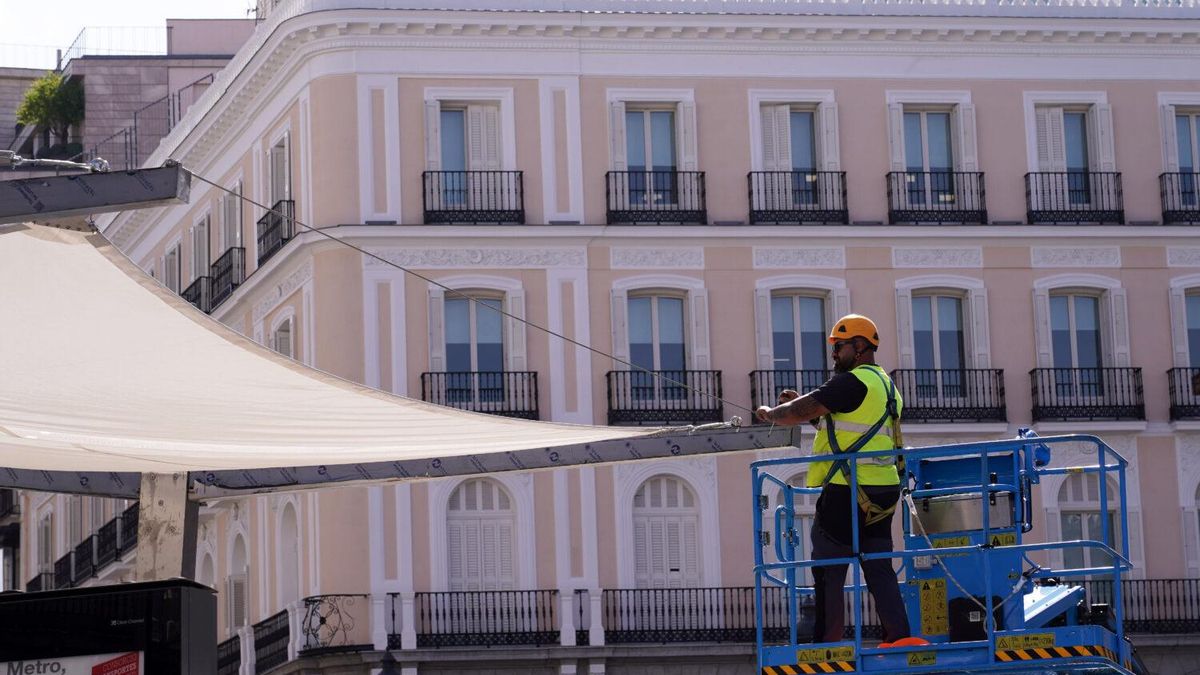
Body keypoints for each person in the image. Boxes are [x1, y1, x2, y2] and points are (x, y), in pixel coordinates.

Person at [755, 313, 911, 645]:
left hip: (847, 489)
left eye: (839, 347)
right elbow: (842, 428)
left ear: (859, 346)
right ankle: (899, 637)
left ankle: (827, 643)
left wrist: (772, 413)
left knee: (828, 564)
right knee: (879, 565)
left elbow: (804, 408)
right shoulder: (886, 386)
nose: (834, 355)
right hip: (883, 491)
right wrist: (800, 408)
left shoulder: (851, 381)